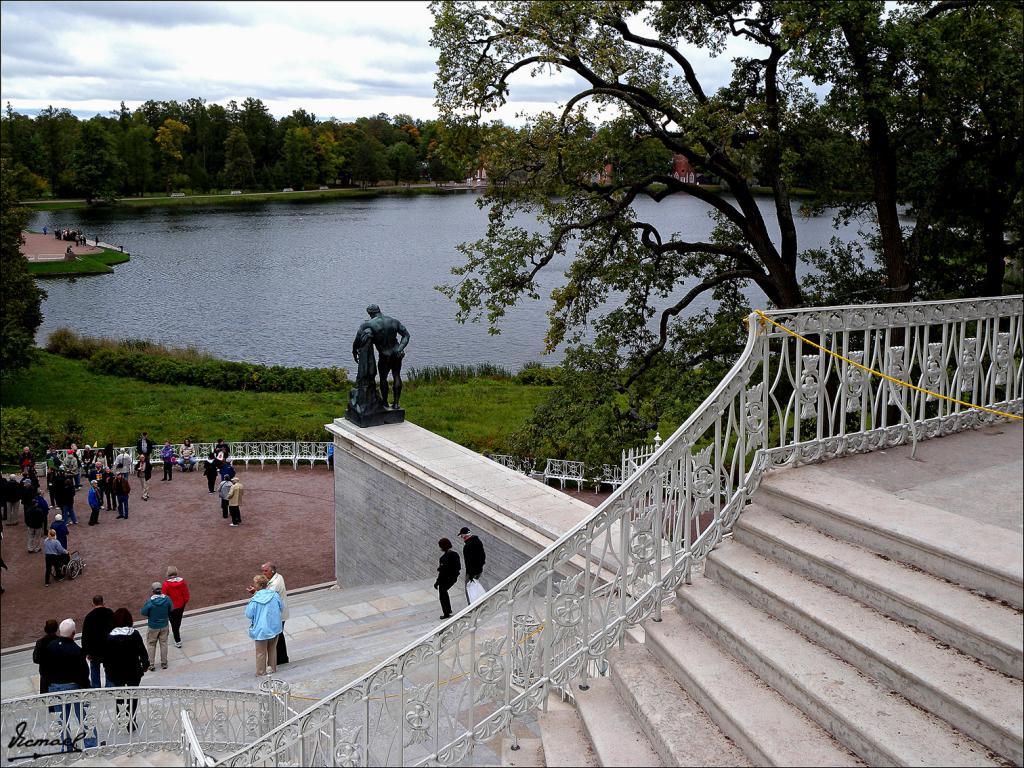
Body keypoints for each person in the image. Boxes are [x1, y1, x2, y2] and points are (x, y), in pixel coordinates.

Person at [40, 618, 98, 751]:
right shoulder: (76, 650)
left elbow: (44, 669)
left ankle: (66, 746)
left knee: (61, 719)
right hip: (74, 687)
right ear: (73, 633)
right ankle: (91, 745)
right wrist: (87, 688)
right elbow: (83, 673)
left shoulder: (51, 646)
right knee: (84, 716)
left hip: (55, 687)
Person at [355, 303, 411, 409]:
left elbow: (358, 339)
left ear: (370, 313)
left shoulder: (368, 324)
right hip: (396, 353)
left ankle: (384, 402)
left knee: (383, 378)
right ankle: (396, 403)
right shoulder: (394, 321)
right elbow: (406, 335)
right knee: (396, 375)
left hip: (384, 355)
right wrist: (400, 349)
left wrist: (354, 351)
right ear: (379, 310)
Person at [103, 608, 149, 732]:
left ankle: (121, 718)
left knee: (119, 696)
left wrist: (107, 670)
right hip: (133, 671)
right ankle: (131, 721)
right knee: (133, 696)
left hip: (116, 672)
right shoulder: (134, 634)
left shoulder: (109, 637)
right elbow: (142, 651)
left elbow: (106, 657)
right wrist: (145, 665)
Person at [247, 562, 289, 665]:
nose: (264, 573)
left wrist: (255, 592)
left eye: (266, 571)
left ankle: (281, 659)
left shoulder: (274, 584)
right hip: (278, 613)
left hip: (277, 615)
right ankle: (282, 658)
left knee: (277, 637)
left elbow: (266, 597)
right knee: (279, 636)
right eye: (263, 571)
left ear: (272, 571)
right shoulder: (278, 577)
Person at [245, 574, 283, 677]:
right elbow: (281, 607)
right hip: (274, 627)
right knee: (272, 650)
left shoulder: (255, 599)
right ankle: (272, 669)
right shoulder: (275, 595)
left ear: (258, 585)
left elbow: (248, 614)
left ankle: (261, 672)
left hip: (261, 630)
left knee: (261, 653)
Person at [82, 595, 114, 688]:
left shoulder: (89, 617)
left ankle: (96, 688)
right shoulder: (110, 613)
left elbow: (85, 635)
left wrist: (86, 651)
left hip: (94, 649)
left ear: (93, 603)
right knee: (109, 668)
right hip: (108, 647)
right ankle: (110, 687)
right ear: (103, 602)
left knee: (94, 669)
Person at [140, 582, 172, 670]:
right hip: (164, 625)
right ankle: (164, 663)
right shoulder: (167, 599)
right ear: (161, 589)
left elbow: (143, 612)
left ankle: (151, 664)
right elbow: (171, 609)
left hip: (153, 626)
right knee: (164, 644)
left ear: (152, 590)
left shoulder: (150, 601)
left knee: (151, 644)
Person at [162, 566, 191, 648]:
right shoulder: (182, 582)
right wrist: (184, 602)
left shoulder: (165, 584)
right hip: (181, 605)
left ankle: (177, 640)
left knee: (173, 622)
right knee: (178, 620)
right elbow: (186, 593)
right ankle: (177, 634)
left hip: (171, 607)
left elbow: (164, 596)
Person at [433, 538, 460, 620]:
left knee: (442, 594)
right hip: (453, 577)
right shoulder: (455, 554)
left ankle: (446, 613)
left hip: (445, 579)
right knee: (444, 592)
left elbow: (442, 572)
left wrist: (437, 582)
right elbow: (458, 567)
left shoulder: (443, 558)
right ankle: (448, 610)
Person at [32, 618, 60, 694]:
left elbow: (36, 659)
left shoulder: (40, 642)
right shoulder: (60, 641)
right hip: (58, 672)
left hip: (45, 673)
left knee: (46, 695)